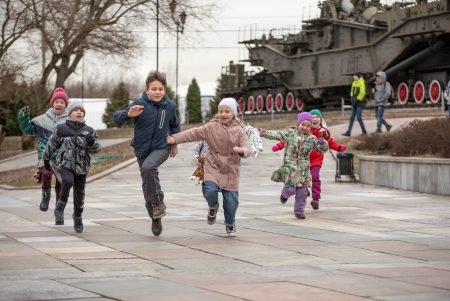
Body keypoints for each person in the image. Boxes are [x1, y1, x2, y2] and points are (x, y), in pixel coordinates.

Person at [166, 98, 251, 236]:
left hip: (231, 169)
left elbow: (247, 147)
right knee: (209, 190)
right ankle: (213, 206)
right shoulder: (211, 126)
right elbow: (193, 133)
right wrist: (175, 138)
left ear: (233, 113)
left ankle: (230, 224)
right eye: (221, 111)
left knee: (231, 202)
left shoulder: (239, 130)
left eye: (227, 111)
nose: (223, 114)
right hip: (213, 164)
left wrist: (241, 151)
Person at [114, 71, 180, 236]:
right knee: (146, 184)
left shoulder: (170, 105)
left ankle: (158, 202)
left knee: (149, 167)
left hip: (161, 147)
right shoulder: (139, 104)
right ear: (147, 90)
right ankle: (155, 218)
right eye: (154, 89)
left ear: (164, 90)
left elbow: (175, 125)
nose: (157, 92)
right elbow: (116, 118)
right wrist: (128, 114)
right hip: (141, 149)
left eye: (160, 89)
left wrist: (175, 142)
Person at [43, 100, 101, 233]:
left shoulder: (89, 130)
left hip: (82, 166)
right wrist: (46, 158)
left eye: (81, 111)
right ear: (69, 113)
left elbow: (97, 149)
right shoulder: (61, 129)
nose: (79, 112)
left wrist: (92, 142)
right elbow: (52, 144)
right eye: (76, 110)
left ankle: (78, 216)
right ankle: (61, 204)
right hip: (65, 164)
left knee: (79, 194)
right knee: (67, 181)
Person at [260, 112, 328, 219]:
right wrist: (262, 132)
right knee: (290, 189)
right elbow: (275, 134)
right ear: (298, 124)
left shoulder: (311, 139)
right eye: (303, 125)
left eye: (308, 126)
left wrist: (323, 143)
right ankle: (284, 194)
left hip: (303, 171)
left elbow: (322, 149)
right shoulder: (289, 133)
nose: (305, 128)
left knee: (303, 192)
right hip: (290, 169)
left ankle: (299, 211)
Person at [17, 87, 69, 212]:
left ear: (65, 105)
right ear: (52, 103)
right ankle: (45, 197)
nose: (59, 104)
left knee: (61, 182)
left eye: (62, 102)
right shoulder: (42, 120)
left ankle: (59, 206)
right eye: (57, 102)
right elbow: (28, 130)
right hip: (46, 156)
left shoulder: (69, 121)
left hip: (63, 157)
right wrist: (23, 119)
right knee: (46, 174)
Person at [342, 72, 367, 136]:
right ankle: (348, 132)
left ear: (358, 76)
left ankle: (364, 131)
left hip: (359, 103)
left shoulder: (361, 82)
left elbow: (362, 93)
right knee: (352, 118)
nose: (353, 77)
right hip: (354, 103)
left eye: (354, 76)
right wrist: (352, 98)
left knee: (358, 117)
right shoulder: (354, 83)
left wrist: (357, 99)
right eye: (353, 76)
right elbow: (352, 92)